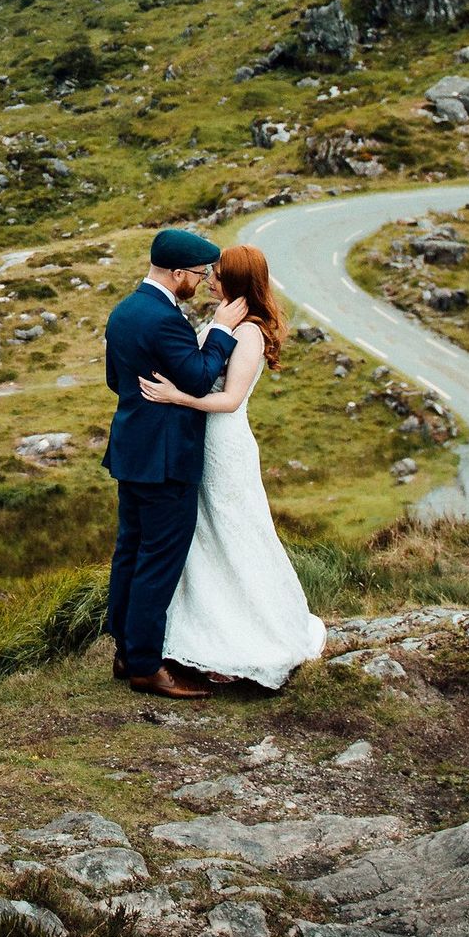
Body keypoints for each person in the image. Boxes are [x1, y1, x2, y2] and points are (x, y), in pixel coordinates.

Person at [133, 243, 326, 690]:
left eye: (218, 273)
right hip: (202, 440)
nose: (209, 277)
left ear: (236, 281)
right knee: (205, 533)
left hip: (224, 443)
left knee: (233, 528)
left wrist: (176, 397)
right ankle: (206, 626)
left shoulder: (250, 332)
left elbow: (230, 399)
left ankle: (253, 633)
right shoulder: (226, 320)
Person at [100, 226, 242, 697]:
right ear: (178, 272)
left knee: (131, 550)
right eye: (199, 275)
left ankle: (124, 651)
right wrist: (220, 331)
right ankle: (144, 665)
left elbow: (113, 379)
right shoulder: (164, 319)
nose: (202, 282)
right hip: (165, 459)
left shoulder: (124, 311)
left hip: (131, 450)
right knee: (158, 560)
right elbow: (201, 380)